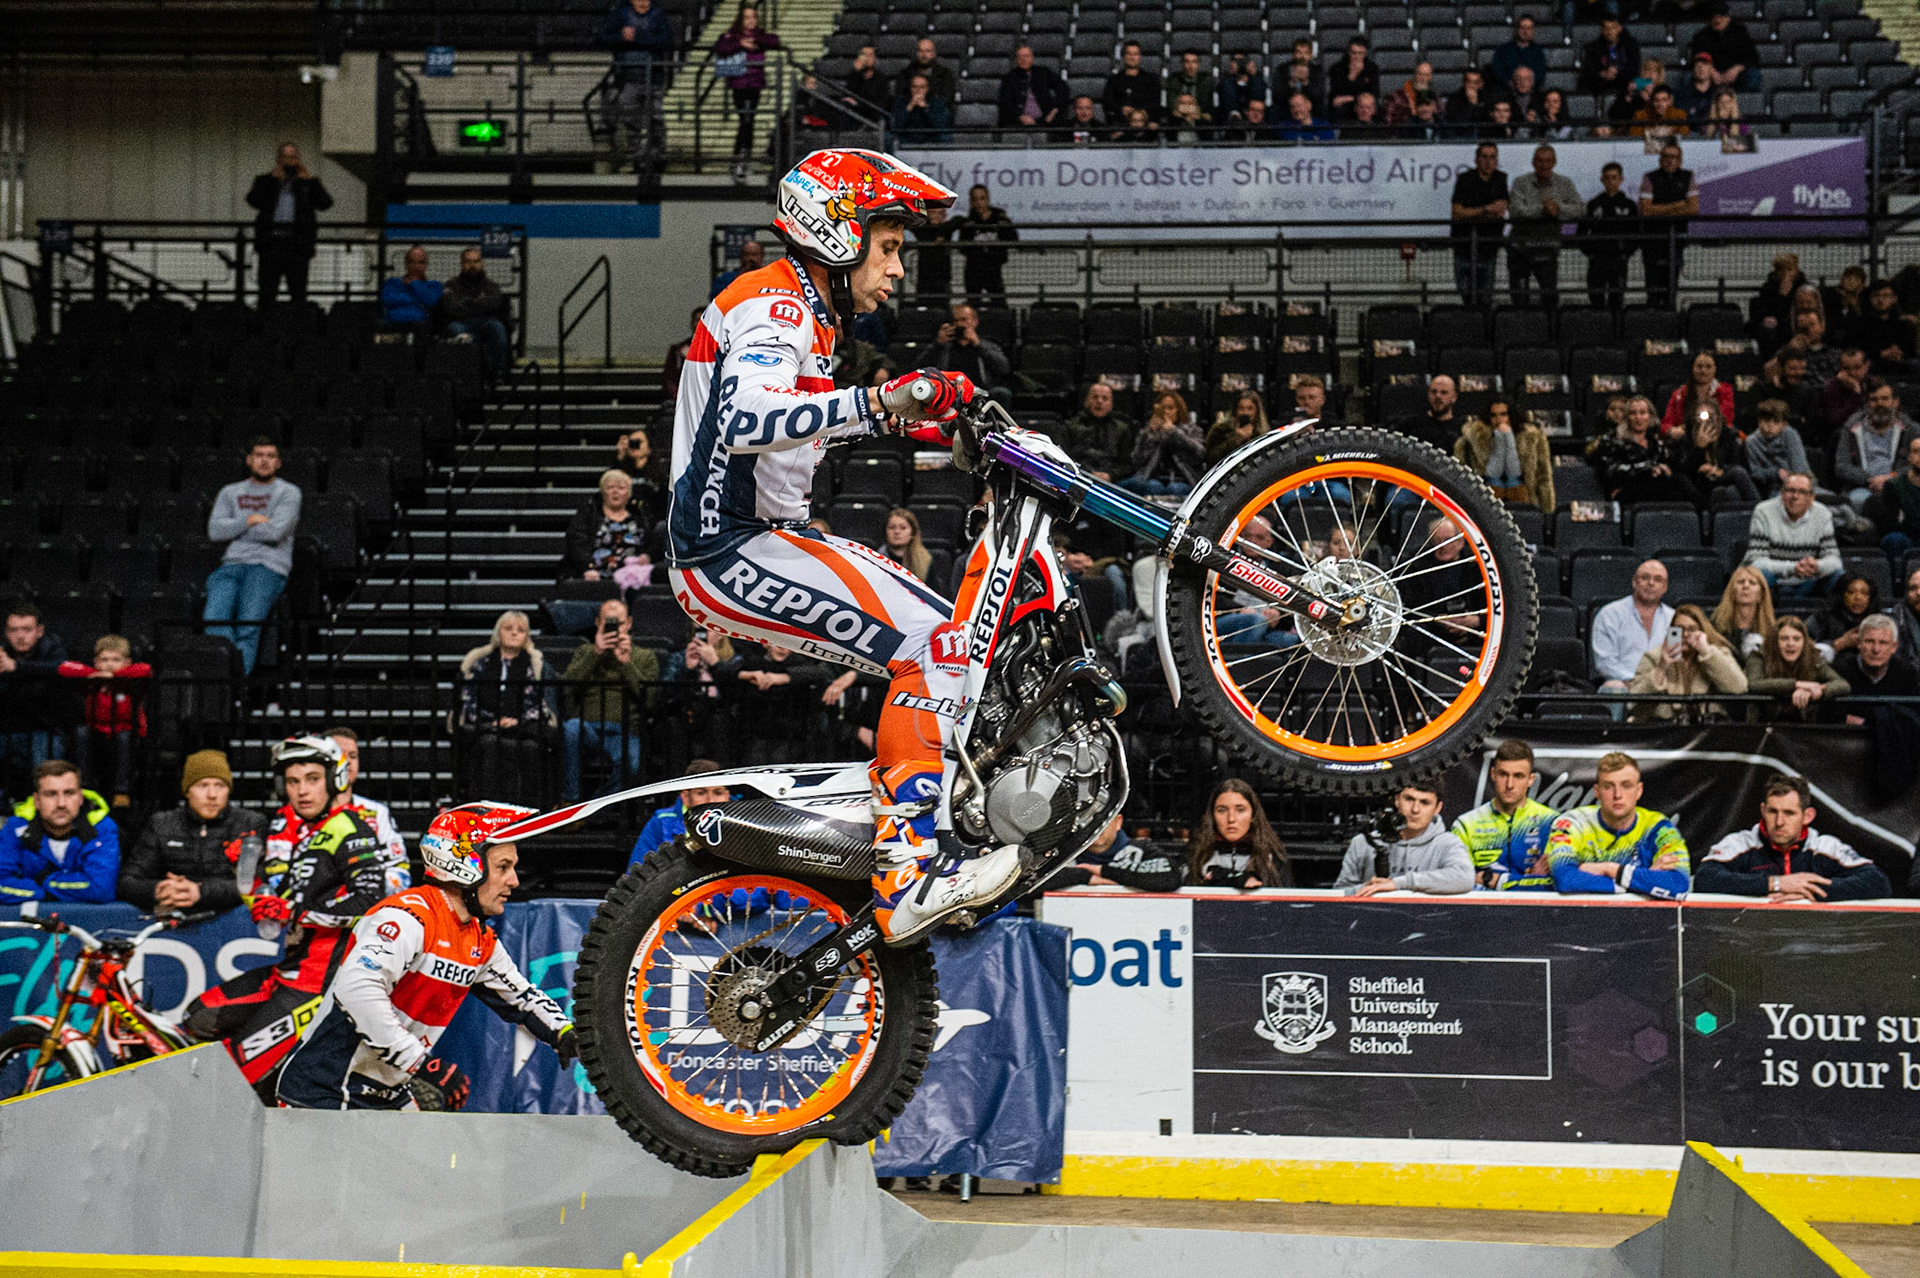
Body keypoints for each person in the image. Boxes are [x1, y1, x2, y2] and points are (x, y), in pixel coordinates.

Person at [668, 150, 1022, 945]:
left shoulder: (806, 310)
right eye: (888, 246)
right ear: (838, 232)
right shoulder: (775, 305)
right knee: (935, 646)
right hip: (730, 548)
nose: (897, 269)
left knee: (950, 640)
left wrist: (904, 418)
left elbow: (800, 421)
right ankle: (907, 869)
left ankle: (900, 828)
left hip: (764, 538)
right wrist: (880, 398)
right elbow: (748, 420)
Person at [277, 803, 575, 1110]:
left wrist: (566, 1032)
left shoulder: (479, 938)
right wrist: (422, 1064)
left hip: (384, 1091)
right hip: (322, 1089)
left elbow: (523, 998)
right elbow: (356, 990)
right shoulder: (406, 917)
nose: (514, 880)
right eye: (503, 867)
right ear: (465, 865)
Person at [184, 736, 400, 1101]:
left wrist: (295, 912)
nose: (302, 791)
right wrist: (249, 877)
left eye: (312, 779)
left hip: (321, 985)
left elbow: (370, 904)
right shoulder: (301, 831)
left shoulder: (350, 828)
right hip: (287, 971)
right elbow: (277, 908)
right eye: (293, 781)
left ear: (333, 781)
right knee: (198, 1018)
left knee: (235, 1073)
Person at [117, 750, 266, 914]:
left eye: (220, 786)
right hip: (171, 921)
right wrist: (160, 889)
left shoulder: (249, 824)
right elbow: (127, 882)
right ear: (187, 791)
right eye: (203, 785)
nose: (212, 795)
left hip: (233, 923)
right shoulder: (162, 824)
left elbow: (257, 882)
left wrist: (200, 892)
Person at [1699, 775, 1889, 900]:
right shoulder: (1740, 843)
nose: (1779, 822)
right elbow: (1704, 879)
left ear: (1807, 816)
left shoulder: (1825, 847)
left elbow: (1878, 882)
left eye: (1789, 813)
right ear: (1763, 810)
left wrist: (1808, 890)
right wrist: (1775, 884)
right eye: (1773, 811)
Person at [204, 437, 301, 675]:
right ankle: (226, 676)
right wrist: (249, 520)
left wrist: (235, 527)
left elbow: (275, 533)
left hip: (267, 567)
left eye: (270, 456)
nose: (264, 460)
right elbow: (215, 531)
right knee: (213, 621)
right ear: (249, 460)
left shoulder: (288, 492)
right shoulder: (230, 492)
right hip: (231, 565)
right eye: (259, 455)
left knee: (247, 627)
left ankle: (236, 684)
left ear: (278, 463)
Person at [1545, 752, 1690, 898]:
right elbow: (1565, 879)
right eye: (1608, 786)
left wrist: (1610, 869)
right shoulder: (1572, 823)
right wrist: (1643, 882)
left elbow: (1679, 885)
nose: (1618, 795)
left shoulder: (1658, 827)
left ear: (1639, 790)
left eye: (1626, 786)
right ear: (1597, 792)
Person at [455, 610, 557, 808]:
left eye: (521, 630)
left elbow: (539, 700)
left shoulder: (535, 665)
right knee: (489, 743)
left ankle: (528, 811)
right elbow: (469, 699)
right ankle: (485, 809)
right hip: (487, 726)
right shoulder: (480, 662)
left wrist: (518, 721)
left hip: (524, 727)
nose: (514, 633)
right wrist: (494, 721)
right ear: (498, 632)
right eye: (508, 628)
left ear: (527, 636)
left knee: (530, 748)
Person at [560, 598, 657, 803]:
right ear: (598, 623)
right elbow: (567, 688)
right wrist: (595, 654)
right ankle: (571, 800)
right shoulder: (585, 652)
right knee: (570, 728)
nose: (614, 629)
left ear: (628, 623)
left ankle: (591, 808)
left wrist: (627, 664)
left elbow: (649, 701)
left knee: (632, 764)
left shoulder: (645, 656)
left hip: (625, 731)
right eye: (608, 623)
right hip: (588, 728)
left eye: (618, 623)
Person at [0, 760, 118, 904]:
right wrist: (44, 892)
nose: (61, 803)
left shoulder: (102, 828)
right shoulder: (15, 828)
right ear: (37, 801)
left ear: (80, 798)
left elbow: (101, 889)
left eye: (69, 793)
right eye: (51, 794)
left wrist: (44, 881)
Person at [1451, 739, 1560, 890]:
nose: (1510, 785)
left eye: (1518, 776)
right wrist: (1529, 880)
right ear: (1493, 774)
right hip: (1483, 906)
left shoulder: (1553, 823)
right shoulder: (1466, 825)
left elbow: (1557, 884)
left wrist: (1490, 879)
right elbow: (1460, 883)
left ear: (1531, 780)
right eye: (1503, 774)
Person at [1334, 781, 1473, 896]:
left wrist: (1398, 884)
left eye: (1425, 802)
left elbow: (1464, 878)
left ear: (1438, 808)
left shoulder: (1448, 843)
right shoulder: (1365, 841)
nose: (1415, 809)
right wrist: (1367, 888)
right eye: (1409, 799)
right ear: (1397, 800)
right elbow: (1339, 893)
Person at [56, 635, 148, 807]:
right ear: (96, 662)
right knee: (81, 732)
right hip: (98, 731)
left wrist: (115, 677)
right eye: (104, 660)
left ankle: (122, 791)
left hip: (125, 730)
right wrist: (96, 675)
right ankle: (85, 788)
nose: (110, 664)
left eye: (116, 659)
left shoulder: (131, 680)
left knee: (124, 738)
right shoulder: (93, 680)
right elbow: (64, 667)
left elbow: (145, 669)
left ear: (127, 662)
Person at [596, 0, 674, 195]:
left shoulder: (657, 14)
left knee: (656, 118)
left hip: (653, 77)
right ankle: (638, 159)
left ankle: (658, 158)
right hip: (628, 77)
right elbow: (602, 36)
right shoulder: (620, 13)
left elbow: (666, 39)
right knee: (630, 119)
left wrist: (637, 37)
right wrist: (621, 37)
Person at [1627, 602, 1749, 722]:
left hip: (1707, 726)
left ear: (1702, 631)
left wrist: (1706, 652)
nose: (1685, 634)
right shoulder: (1653, 657)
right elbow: (1634, 705)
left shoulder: (1717, 654)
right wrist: (1661, 668)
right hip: (1664, 726)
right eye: (1679, 629)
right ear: (1671, 631)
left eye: (1692, 629)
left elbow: (1739, 688)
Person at [246, 142, 332, 306]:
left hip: (297, 245)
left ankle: (298, 321)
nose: (289, 162)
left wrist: (308, 182)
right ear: (278, 159)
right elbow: (253, 200)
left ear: (298, 160)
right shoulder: (265, 181)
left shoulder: (307, 183)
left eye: (293, 158)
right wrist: (272, 180)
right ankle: (265, 320)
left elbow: (325, 204)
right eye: (285, 157)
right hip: (271, 244)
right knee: (267, 291)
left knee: (298, 292)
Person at [321, 726, 407, 883]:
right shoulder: (305, 812)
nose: (347, 762)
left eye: (353, 756)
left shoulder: (376, 812)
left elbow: (399, 868)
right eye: (339, 754)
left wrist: (370, 888)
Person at [0, 603, 69, 792]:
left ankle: (46, 807)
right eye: (14, 630)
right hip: (5, 729)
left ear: (39, 631)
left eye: (26, 629)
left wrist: (16, 668)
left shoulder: (53, 650)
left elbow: (61, 668)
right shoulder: (2, 653)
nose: (20, 636)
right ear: (6, 633)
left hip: (43, 730)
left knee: (46, 768)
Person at [712, 6, 781, 184]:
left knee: (748, 120)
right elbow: (721, 47)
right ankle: (741, 158)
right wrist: (741, 44)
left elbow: (775, 41)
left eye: (753, 17)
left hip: (755, 84)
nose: (751, 21)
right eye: (747, 17)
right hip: (739, 83)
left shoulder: (760, 35)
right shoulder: (733, 35)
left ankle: (740, 158)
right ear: (741, 20)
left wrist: (754, 39)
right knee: (746, 119)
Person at [1505, 145, 1580, 310]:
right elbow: (1515, 211)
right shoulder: (1520, 182)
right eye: (1540, 161)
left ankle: (1550, 325)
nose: (1544, 165)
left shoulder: (1564, 183)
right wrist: (1543, 210)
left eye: (1548, 161)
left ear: (1554, 162)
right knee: (1519, 297)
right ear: (1533, 163)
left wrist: (1558, 208)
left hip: (1548, 249)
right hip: (1520, 248)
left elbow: (1580, 209)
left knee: (1549, 296)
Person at [1745, 472, 1841, 598]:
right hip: (1774, 581)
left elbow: (1835, 560)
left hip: (1808, 581)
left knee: (1838, 576)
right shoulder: (1763, 511)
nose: (1795, 496)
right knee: (1759, 575)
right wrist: (1793, 568)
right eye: (1790, 490)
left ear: (1812, 498)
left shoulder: (1822, 514)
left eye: (1802, 492)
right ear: (1782, 493)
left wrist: (1817, 566)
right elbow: (1755, 562)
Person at [1186, 778, 1292, 889]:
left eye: (1240, 810)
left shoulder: (1272, 856)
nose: (1231, 819)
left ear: (1253, 815)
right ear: (1212, 816)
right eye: (1222, 810)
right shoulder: (1197, 854)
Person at [1590, 395, 1696, 504]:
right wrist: (1648, 468)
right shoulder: (1612, 440)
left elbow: (1672, 462)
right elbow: (1611, 471)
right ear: (1627, 417)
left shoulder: (1655, 441)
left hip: (1656, 485)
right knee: (1673, 483)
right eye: (1633, 413)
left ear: (1650, 416)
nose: (1638, 417)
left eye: (1642, 413)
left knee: (1679, 481)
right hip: (1626, 489)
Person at [1454, 398, 1554, 512]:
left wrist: (1547, 511)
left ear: (1511, 416)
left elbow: (1543, 477)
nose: (1498, 420)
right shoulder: (1474, 439)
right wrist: (1499, 438)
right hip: (1486, 502)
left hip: (1523, 499)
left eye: (1503, 414)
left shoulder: (1532, 438)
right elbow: (1464, 481)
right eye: (1493, 415)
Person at [1836, 380, 1920, 513]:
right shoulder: (1851, 428)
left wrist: (1891, 478)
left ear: (1895, 402)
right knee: (1858, 500)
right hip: (1863, 487)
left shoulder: (1911, 429)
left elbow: (1915, 464)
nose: (1879, 404)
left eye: (1885, 399)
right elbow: (1841, 466)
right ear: (1867, 403)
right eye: (1874, 400)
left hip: (1901, 484)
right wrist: (1869, 480)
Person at [1745, 616, 1849, 722]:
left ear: (1804, 642)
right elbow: (1755, 684)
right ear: (1775, 641)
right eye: (1784, 638)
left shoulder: (1813, 657)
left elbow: (1842, 684)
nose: (1790, 644)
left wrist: (1816, 692)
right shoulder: (1759, 655)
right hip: (1763, 723)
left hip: (1803, 726)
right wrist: (1797, 685)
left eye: (1796, 639)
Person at [1592, 558, 1674, 691]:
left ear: (1665, 587)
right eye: (1645, 577)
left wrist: (1654, 681)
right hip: (1624, 685)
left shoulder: (1674, 619)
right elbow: (1605, 662)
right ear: (1634, 582)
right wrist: (1636, 682)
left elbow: (1675, 657)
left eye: (1658, 579)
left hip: (1661, 685)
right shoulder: (1609, 614)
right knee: (1613, 687)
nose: (1651, 583)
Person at [562, 469, 653, 587]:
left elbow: (649, 545)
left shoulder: (639, 516)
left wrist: (646, 557)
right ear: (602, 492)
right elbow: (576, 543)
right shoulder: (589, 514)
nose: (615, 492)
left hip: (633, 575)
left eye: (621, 488)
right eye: (610, 488)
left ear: (629, 493)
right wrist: (587, 567)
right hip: (594, 573)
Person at [627, 760, 730, 864]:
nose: (710, 800)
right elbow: (637, 869)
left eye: (718, 793)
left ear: (727, 795)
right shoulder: (661, 822)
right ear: (685, 796)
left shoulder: (739, 819)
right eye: (701, 793)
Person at [1055, 813, 1184, 892]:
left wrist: (1103, 871)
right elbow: (1043, 881)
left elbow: (1171, 878)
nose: (1096, 828)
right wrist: (1084, 876)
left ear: (1118, 822)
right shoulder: (1063, 854)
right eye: (1088, 821)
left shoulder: (1142, 849)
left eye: (1104, 821)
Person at [439, 245, 513, 378]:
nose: (472, 265)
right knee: (456, 330)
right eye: (468, 261)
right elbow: (452, 307)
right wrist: (479, 304)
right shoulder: (451, 285)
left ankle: (499, 375)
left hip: (486, 323)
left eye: (476, 261)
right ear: (462, 264)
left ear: (482, 264)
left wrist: (467, 303)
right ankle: (469, 376)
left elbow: (493, 304)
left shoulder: (492, 286)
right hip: (460, 323)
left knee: (498, 328)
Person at [1832, 613, 1920, 723]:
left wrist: (1867, 723)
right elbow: (1828, 715)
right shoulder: (1839, 672)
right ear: (1859, 643)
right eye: (1869, 641)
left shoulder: (1907, 673)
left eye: (1883, 643)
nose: (1876, 649)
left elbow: (1914, 717)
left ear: (1894, 647)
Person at [1639, 143, 1697, 310]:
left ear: (1680, 160)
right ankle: (1653, 317)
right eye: (1666, 156)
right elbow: (1646, 210)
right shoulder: (1649, 177)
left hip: (1676, 240)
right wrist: (1678, 205)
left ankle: (1669, 317)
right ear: (1660, 159)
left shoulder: (1688, 176)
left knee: (1671, 284)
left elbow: (1693, 208)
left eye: (1674, 157)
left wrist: (1659, 209)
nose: (1670, 160)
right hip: (1652, 240)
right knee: (1653, 285)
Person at [1450, 143, 1508, 308]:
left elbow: (1500, 210)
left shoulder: (1500, 179)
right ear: (1476, 159)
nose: (1488, 161)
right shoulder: (1465, 179)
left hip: (1489, 245)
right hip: (1464, 243)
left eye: (1492, 157)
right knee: (1465, 292)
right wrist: (1485, 209)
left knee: (1485, 295)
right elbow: (1457, 212)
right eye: (1484, 157)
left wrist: (1471, 211)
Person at [1666, 405, 1758, 506]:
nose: (1707, 423)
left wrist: (1719, 470)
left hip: (1722, 479)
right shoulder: (1686, 439)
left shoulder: (1729, 437)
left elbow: (1738, 463)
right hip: (1698, 486)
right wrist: (1699, 448)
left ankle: (1758, 510)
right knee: (1729, 487)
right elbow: (1681, 471)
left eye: (1712, 417)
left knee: (1732, 488)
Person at [1578, 161, 1639, 311]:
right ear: (1602, 180)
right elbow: (1582, 231)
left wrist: (1626, 252)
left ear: (1621, 179)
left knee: (1617, 299)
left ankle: (1616, 325)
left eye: (1614, 177)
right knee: (1596, 298)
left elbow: (1636, 232)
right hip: (1597, 259)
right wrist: (1590, 252)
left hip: (1619, 259)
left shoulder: (1629, 205)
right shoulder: (1594, 204)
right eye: (1607, 178)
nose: (1611, 181)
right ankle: (1599, 325)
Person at [1121, 390, 1206, 496]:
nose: (1166, 412)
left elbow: (1199, 454)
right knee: (1153, 487)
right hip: (1153, 477)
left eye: (1170, 408)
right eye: (1162, 409)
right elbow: (1137, 460)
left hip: (1183, 478)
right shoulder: (1148, 431)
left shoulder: (1192, 430)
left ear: (1179, 410)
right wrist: (1150, 435)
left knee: (1174, 489)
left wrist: (1174, 432)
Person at [929, 303, 1011, 402]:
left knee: (1002, 393)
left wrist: (978, 344)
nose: (959, 324)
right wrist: (938, 344)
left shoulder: (988, 345)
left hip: (981, 390)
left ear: (975, 322)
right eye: (956, 321)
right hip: (950, 390)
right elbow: (920, 368)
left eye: (964, 320)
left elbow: (1004, 369)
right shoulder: (944, 346)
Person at [1053, 382, 1135, 481]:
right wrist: (1087, 472)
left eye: (1105, 398)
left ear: (1111, 404)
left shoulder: (1121, 429)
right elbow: (1063, 457)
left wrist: (1110, 475)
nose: (1099, 401)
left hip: (1113, 481)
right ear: (1087, 401)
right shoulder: (1070, 426)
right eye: (1095, 397)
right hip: (1079, 477)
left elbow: (1127, 465)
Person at [954, 185, 1016, 304]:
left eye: (982, 198)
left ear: (987, 199)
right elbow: (962, 246)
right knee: (973, 303)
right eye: (975, 199)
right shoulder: (968, 222)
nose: (979, 203)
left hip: (994, 269)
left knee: (999, 303)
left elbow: (1013, 239)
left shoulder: (999, 218)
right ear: (971, 202)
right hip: (974, 270)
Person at [1687, 0, 1759, 93]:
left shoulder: (1740, 32)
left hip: (1735, 74)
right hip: (1711, 75)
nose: (1717, 20)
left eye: (1720, 17)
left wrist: (1736, 69)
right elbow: (1696, 57)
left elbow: (1752, 56)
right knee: (1688, 76)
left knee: (1753, 74)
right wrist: (1711, 71)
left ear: (1728, 18)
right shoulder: (1702, 35)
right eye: (1714, 17)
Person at [1746, 399, 1810, 498]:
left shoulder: (1790, 434)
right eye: (1766, 421)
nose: (1770, 426)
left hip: (1801, 483)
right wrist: (1775, 473)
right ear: (1759, 421)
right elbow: (1755, 472)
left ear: (1784, 424)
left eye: (1776, 422)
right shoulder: (1751, 441)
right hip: (1775, 487)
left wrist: (1794, 481)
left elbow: (1800, 467)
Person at [1808, 571, 1880, 660]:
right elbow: (1804, 650)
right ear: (1841, 594)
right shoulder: (1822, 617)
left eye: (1865, 593)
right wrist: (1841, 643)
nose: (1858, 598)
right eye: (1851, 592)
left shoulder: (1880, 621)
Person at [1855, 280, 1920, 377]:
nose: (1880, 300)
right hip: (1873, 362)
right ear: (1870, 298)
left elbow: (1910, 350)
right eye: (1876, 295)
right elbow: (1855, 349)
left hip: (1899, 362)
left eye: (1885, 296)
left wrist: (1898, 353)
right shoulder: (1859, 323)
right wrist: (1881, 353)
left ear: (1894, 299)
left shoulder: (1902, 323)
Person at [1662, 351, 1737, 434]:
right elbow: (1666, 424)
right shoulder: (1678, 394)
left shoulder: (1725, 391)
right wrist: (1671, 431)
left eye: (1708, 367)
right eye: (1699, 366)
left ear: (1715, 369)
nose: (1703, 370)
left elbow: (1727, 419)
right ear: (1692, 368)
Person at [1711, 564, 1776, 659]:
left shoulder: (1771, 629)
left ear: (1761, 594)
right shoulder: (1715, 624)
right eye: (1741, 582)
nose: (1745, 586)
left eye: (1752, 583)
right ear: (1732, 591)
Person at [1873, 440, 1920, 571]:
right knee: (1893, 539)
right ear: (1909, 457)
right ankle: (1897, 579)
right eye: (1916, 452)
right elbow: (1892, 523)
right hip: (1908, 536)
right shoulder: (1894, 486)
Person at [998, 44, 1066, 130]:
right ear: (1016, 60)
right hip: (1018, 123)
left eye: (1026, 56)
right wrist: (1020, 116)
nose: (1023, 59)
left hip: (1046, 121)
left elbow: (1063, 88)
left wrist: (1055, 109)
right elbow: (1006, 103)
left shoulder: (1043, 72)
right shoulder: (1009, 78)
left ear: (1032, 58)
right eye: (1020, 57)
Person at [1750, 253, 1807, 354]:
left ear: (1796, 270)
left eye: (1789, 269)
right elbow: (1768, 313)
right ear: (1776, 272)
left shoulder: (1804, 288)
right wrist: (1781, 297)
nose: (1785, 274)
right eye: (1781, 270)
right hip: (1778, 327)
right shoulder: (1768, 289)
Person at [380, 244, 441, 332]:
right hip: (394, 323)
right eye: (412, 262)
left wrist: (414, 284)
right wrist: (416, 300)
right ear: (406, 264)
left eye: (421, 262)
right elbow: (388, 300)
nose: (416, 267)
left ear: (426, 265)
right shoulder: (392, 283)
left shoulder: (434, 285)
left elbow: (431, 301)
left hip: (420, 326)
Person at [1820, 346, 1873, 445]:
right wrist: (1856, 393)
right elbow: (1836, 421)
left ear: (1866, 366)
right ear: (1840, 368)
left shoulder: (1874, 384)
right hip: (1844, 438)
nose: (1852, 373)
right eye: (1846, 368)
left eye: (1857, 367)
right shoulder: (1831, 387)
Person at [1580, 18, 1642, 101]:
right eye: (1607, 28)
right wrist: (1602, 73)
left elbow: (1634, 67)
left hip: (1624, 81)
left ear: (1619, 28)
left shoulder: (1631, 45)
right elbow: (1589, 69)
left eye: (1613, 28)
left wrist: (1618, 71)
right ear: (1602, 30)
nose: (1610, 32)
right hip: (1601, 84)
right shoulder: (1594, 47)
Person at [1102, 41, 1161, 124]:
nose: (1132, 57)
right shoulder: (1114, 80)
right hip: (1120, 123)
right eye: (1129, 54)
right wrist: (1121, 109)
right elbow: (1108, 103)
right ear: (1123, 56)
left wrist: (1138, 112)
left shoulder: (1151, 79)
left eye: (1135, 54)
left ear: (1140, 57)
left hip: (1144, 123)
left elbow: (1155, 103)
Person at [1206, 389, 1271, 464]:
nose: (1245, 413)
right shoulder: (1221, 430)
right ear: (1236, 411)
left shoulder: (1264, 434)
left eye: (1250, 409)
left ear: (1257, 412)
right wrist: (1236, 439)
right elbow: (1212, 459)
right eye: (1241, 408)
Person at [1402, 373, 1460, 452]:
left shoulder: (1460, 432)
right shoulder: (1411, 425)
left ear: (1454, 397)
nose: (1438, 396)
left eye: (1444, 392)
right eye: (1433, 392)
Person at [1490, 15, 1548, 92]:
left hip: (1531, 92)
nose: (1525, 32)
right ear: (1517, 29)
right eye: (1523, 28)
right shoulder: (1503, 50)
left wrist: (1527, 84)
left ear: (1533, 31)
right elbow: (1498, 71)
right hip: (1507, 90)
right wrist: (1512, 83)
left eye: (1529, 28)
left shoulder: (1538, 51)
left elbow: (1540, 74)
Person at [1327, 35, 1379, 119]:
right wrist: (1352, 75)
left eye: (1360, 53)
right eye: (1354, 53)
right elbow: (1337, 94)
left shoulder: (1372, 68)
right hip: (1345, 106)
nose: (1357, 57)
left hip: (1364, 104)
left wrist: (1352, 98)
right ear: (1349, 52)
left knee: (1372, 108)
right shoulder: (1337, 68)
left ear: (1365, 54)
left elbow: (1374, 93)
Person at [892, 73, 953, 144]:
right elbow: (896, 125)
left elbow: (941, 126)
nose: (918, 90)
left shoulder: (937, 102)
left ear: (927, 89)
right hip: (907, 137)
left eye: (922, 87)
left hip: (931, 138)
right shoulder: (901, 101)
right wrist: (909, 107)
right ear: (910, 88)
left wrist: (926, 109)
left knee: (946, 137)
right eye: (915, 87)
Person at [1163, 50, 1217, 122]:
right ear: (1182, 64)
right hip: (1177, 117)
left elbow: (1204, 104)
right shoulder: (1173, 80)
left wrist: (1189, 105)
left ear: (1198, 65)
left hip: (1199, 117)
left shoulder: (1206, 81)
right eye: (1187, 62)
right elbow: (1171, 103)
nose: (1191, 66)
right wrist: (1187, 108)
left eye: (1194, 62)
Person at [881, 508, 932, 581]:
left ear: (913, 533)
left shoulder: (925, 560)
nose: (897, 531)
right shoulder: (876, 559)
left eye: (903, 528)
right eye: (892, 527)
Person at [841, 44, 891, 117]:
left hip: (873, 117)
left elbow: (880, 105)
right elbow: (847, 97)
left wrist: (858, 105)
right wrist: (856, 72)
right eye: (864, 55)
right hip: (854, 116)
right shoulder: (853, 76)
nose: (867, 59)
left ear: (875, 59)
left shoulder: (882, 79)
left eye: (870, 55)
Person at [904, 36, 957, 105]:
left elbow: (947, 99)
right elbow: (900, 98)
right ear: (917, 53)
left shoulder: (945, 74)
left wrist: (926, 104)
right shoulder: (906, 74)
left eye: (927, 51)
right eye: (921, 51)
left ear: (933, 53)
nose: (924, 55)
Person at [1278, 38, 1325, 113]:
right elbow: (1277, 94)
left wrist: (1306, 83)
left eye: (1306, 53)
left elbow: (1319, 95)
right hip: (1288, 105)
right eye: (1299, 52)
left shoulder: (1317, 70)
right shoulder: (1283, 69)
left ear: (1310, 55)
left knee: (1323, 108)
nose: (1302, 57)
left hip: (1311, 106)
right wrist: (1291, 84)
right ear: (1293, 54)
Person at [1216, 54, 1268, 121]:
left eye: (1242, 61)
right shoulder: (1227, 81)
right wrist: (1230, 73)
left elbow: (1262, 90)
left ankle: (1254, 116)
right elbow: (1220, 89)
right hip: (1230, 111)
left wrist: (1254, 75)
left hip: (1252, 107)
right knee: (1226, 84)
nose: (1240, 64)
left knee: (1258, 83)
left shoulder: (1256, 80)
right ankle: (1234, 116)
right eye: (1237, 61)